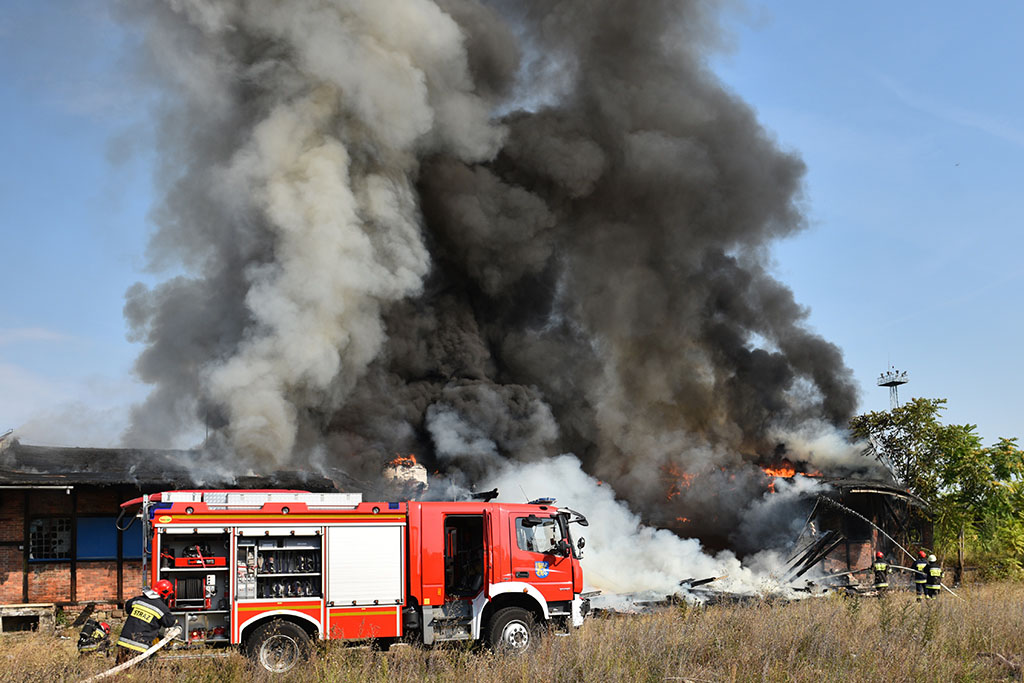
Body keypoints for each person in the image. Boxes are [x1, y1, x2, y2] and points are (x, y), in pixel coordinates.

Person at [115, 579, 177, 664]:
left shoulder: (137, 600)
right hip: (140, 647)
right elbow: (169, 622)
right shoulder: (162, 608)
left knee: (120, 668)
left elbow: (128, 607)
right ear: (165, 594)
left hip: (123, 642)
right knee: (137, 672)